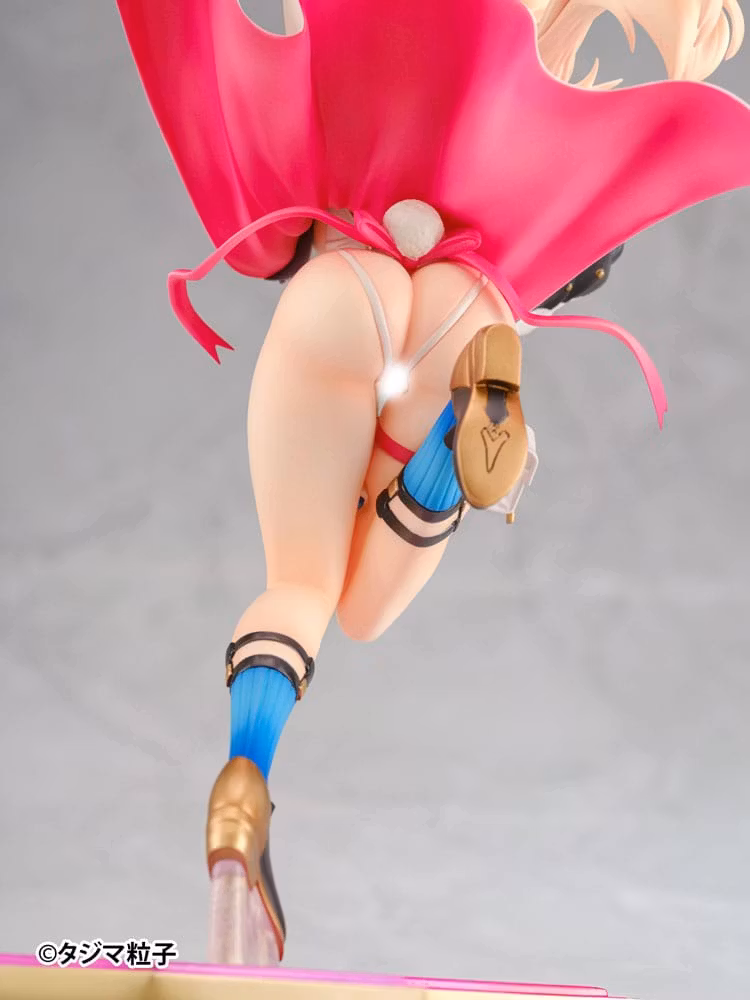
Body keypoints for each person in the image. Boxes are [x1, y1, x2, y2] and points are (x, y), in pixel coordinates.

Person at [116, 0, 750, 964]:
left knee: (303, 586)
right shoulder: (543, 57)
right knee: (367, 611)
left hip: (343, 281)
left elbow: (273, 167)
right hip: (466, 305)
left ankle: (246, 774)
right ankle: (455, 442)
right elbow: (584, 251)